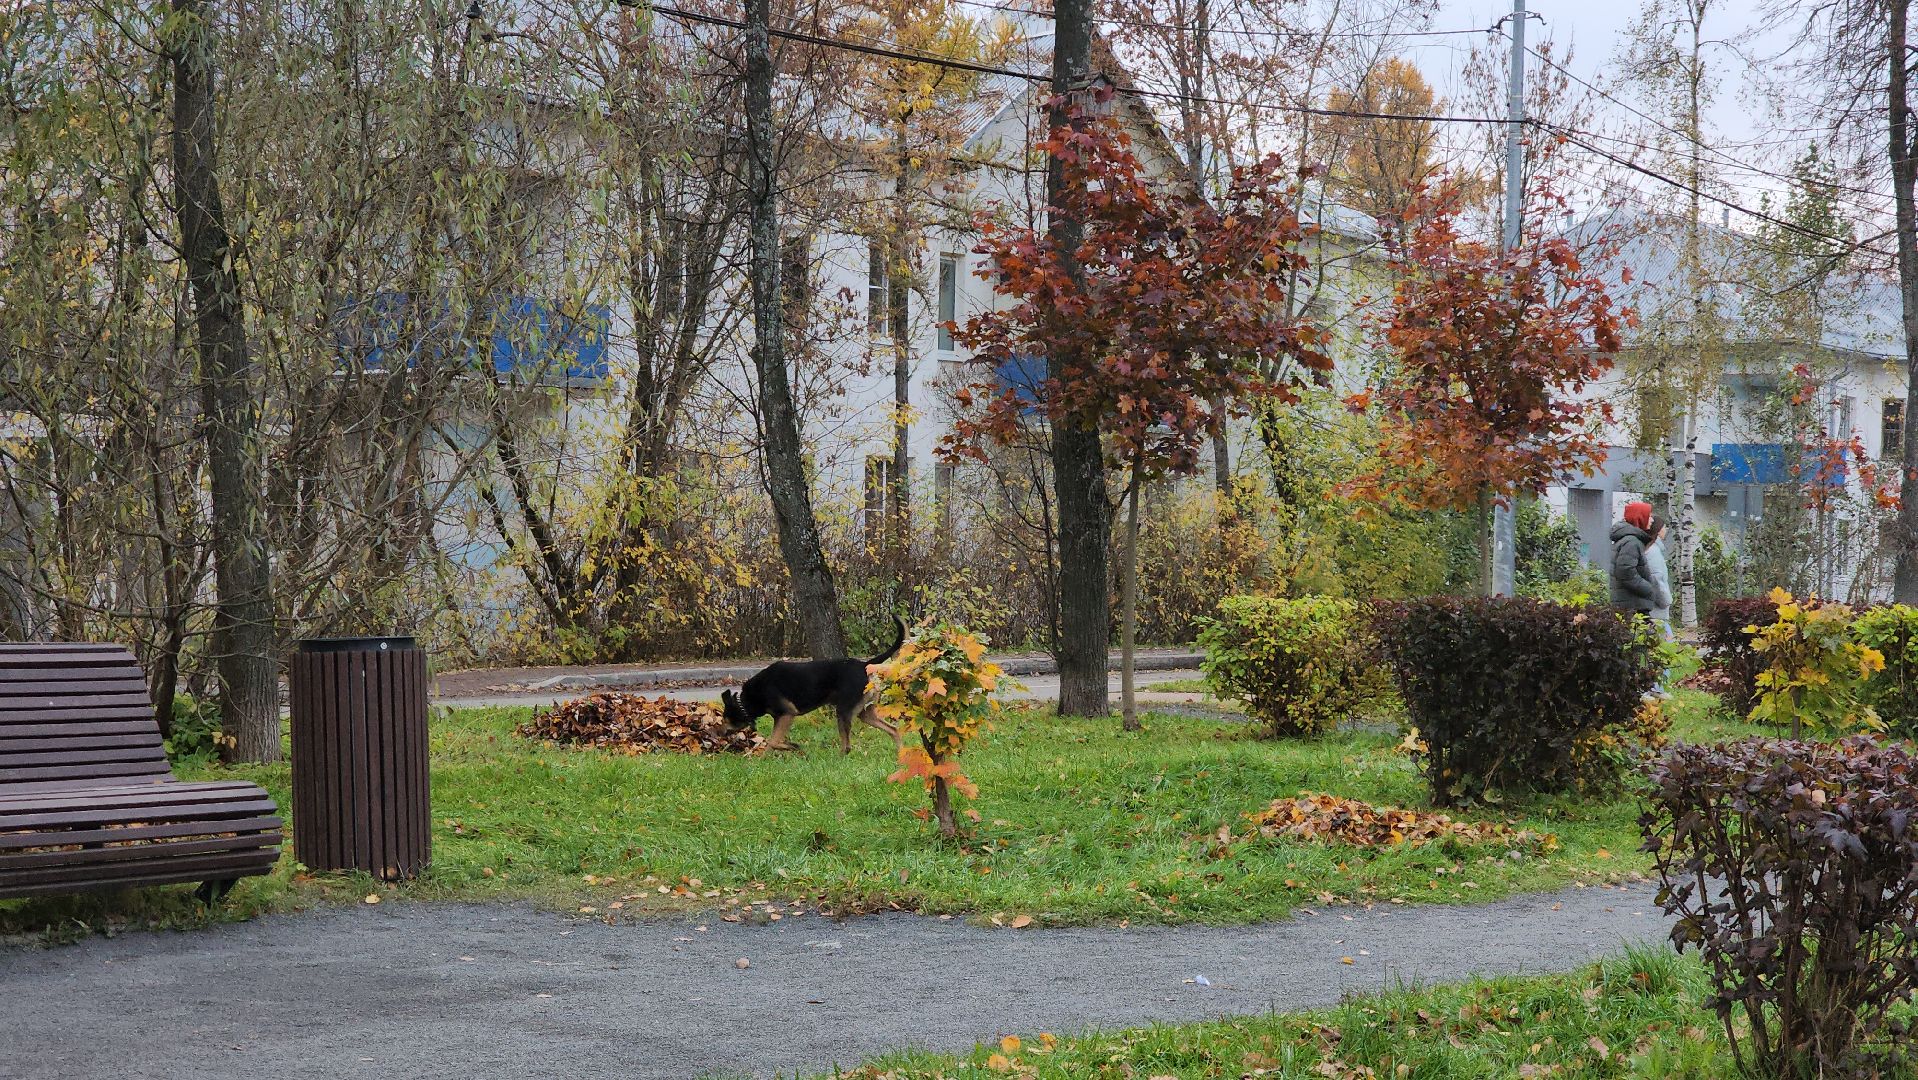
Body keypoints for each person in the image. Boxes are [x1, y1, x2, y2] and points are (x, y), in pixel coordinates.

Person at [1609, 500, 1658, 615]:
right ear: (1640, 518)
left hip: (1630, 604)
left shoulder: (1630, 539)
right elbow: (1625, 571)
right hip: (1633, 606)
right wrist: (1648, 589)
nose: (1652, 520)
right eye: (1649, 516)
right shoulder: (1632, 542)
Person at [1643, 513, 1674, 637]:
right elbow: (1656, 579)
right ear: (1658, 529)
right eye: (1664, 526)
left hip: (1654, 607)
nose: (1666, 529)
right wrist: (1666, 600)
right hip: (1657, 609)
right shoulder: (1654, 551)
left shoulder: (1650, 549)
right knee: (1665, 642)